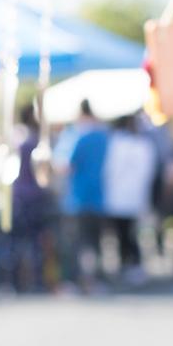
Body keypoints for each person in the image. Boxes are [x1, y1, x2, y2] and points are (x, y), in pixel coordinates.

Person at [101, 113, 158, 285]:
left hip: (119, 196)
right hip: (133, 196)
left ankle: (128, 264)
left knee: (123, 234)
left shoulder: (116, 143)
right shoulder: (143, 145)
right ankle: (130, 265)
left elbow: (109, 170)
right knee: (128, 233)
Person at [59, 102, 110, 288]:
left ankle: (76, 281)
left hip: (78, 198)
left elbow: (66, 166)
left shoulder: (79, 137)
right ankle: (94, 280)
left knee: (76, 243)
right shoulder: (103, 136)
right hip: (98, 197)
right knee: (94, 243)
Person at [9, 104, 55, 293]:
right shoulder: (36, 141)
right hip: (34, 196)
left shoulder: (21, 139)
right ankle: (35, 280)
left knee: (19, 242)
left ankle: (16, 282)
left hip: (22, 196)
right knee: (35, 241)